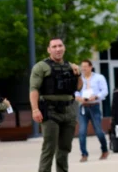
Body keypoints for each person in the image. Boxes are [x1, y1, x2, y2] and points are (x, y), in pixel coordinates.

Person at [30, 38, 82, 172]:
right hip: (50, 111)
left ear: (64, 48)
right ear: (49, 50)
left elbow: (79, 88)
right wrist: (35, 109)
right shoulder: (41, 67)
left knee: (64, 149)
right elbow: (33, 89)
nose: (58, 49)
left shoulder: (71, 66)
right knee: (49, 148)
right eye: (54, 47)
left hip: (69, 110)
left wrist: (78, 74)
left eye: (60, 46)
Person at [76, 59, 109, 162]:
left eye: (85, 66)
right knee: (81, 132)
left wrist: (96, 96)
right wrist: (78, 97)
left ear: (91, 67)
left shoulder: (99, 77)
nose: (83, 69)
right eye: (82, 67)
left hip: (94, 107)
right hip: (83, 107)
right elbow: (75, 91)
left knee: (99, 131)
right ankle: (84, 154)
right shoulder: (79, 79)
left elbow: (105, 91)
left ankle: (104, 150)